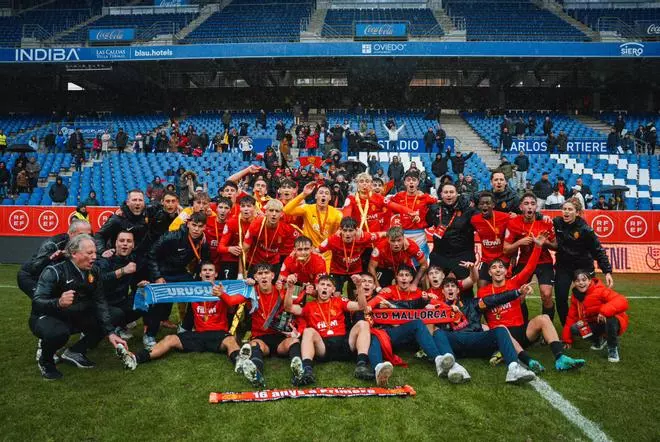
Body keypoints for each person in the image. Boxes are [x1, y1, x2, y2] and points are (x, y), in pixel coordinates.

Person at [126, 262, 261, 385]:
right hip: (198, 334)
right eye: (204, 270)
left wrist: (247, 284)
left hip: (219, 335)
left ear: (216, 274)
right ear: (200, 274)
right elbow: (166, 292)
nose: (207, 272)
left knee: (231, 340)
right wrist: (147, 288)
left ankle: (241, 363)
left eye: (210, 270)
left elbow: (235, 302)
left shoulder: (225, 288)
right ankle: (136, 358)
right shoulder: (190, 289)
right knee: (170, 339)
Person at [478, 233, 586, 372]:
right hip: (501, 334)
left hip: (521, 332)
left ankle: (560, 358)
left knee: (544, 318)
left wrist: (537, 246)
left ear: (506, 271)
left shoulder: (514, 283)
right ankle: (512, 354)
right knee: (487, 327)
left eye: (501, 267)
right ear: (489, 273)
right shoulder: (483, 291)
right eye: (494, 268)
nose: (498, 270)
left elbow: (529, 267)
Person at [30, 234, 130, 379]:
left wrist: (110, 333)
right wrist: (58, 302)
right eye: (90, 253)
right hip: (48, 316)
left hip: (75, 315)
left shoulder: (93, 271)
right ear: (74, 254)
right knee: (58, 333)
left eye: (95, 252)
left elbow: (100, 302)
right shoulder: (54, 272)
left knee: (115, 314)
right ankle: (46, 361)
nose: (94, 257)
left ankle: (75, 352)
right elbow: (36, 302)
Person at [367, 266, 470, 384]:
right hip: (391, 331)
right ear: (396, 277)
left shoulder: (418, 293)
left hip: (407, 331)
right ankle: (378, 369)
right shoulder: (389, 290)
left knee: (419, 323)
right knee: (377, 336)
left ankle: (437, 359)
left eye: (407, 275)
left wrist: (449, 308)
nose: (404, 278)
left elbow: (434, 302)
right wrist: (369, 305)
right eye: (401, 275)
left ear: (411, 278)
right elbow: (377, 298)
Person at [428, 274, 539, 384]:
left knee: (501, 330)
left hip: (476, 339)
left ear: (458, 291)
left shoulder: (473, 303)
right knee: (438, 332)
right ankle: (453, 367)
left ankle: (514, 368)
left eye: (453, 286)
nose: (450, 288)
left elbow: (496, 299)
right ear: (443, 291)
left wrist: (517, 292)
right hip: (456, 342)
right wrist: (429, 306)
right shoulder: (438, 309)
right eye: (447, 286)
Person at [284, 274, 374, 385]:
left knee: (363, 324)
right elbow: (288, 307)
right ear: (317, 287)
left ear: (333, 290)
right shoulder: (309, 306)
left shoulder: (339, 301)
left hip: (344, 343)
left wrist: (359, 287)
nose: (325, 287)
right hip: (323, 346)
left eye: (328, 285)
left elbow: (362, 307)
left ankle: (361, 366)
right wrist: (290, 288)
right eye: (322, 284)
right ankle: (307, 371)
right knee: (308, 331)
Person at [143, 211, 211, 348]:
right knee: (159, 301)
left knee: (198, 294)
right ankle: (149, 334)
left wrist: (203, 277)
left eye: (200, 226)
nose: (196, 229)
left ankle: (185, 327)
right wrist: (157, 276)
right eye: (194, 225)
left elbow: (204, 262)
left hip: (180, 273)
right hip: (163, 272)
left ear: (205, 227)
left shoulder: (203, 241)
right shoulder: (172, 236)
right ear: (188, 224)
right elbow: (151, 254)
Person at [238, 264, 306, 386]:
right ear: (255, 277)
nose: (263, 276)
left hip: (280, 338)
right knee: (254, 344)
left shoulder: (280, 290)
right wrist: (243, 284)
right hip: (261, 338)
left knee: (294, 342)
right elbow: (232, 301)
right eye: (260, 273)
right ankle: (256, 373)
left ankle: (298, 370)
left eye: (266, 273)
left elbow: (292, 304)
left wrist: (293, 287)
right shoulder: (250, 292)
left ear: (273, 276)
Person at [553, 198, 613, 326]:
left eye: (570, 209)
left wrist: (607, 271)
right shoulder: (557, 223)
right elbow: (540, 221)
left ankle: (595, 328)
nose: (566, 212)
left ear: (577, 212)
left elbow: (598, 250)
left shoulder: (585, 230)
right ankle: (567, 327)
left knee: (589, 300)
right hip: (563, 266)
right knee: (561, 298)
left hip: (583, 266)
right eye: (564, 209)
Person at [504, 192, 557, 321]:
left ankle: (547, 325)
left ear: (536, 207)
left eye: (533, 204)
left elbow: (556, 246)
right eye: (526, 204)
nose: (530, 207)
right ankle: (524, 327)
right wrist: (519, 242)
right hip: (524, 262)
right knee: (519, 295)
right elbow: (506, 249)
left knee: (546, 294)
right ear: (521, 207)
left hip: (544, 262)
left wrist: (546, 243)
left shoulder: (546, 222)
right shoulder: (514, 223)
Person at [562, 270, 628, 363]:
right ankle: (598, 340)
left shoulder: (600, 290)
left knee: (610, 318)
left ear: (590, 281)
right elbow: (571, 318)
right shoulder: (575, 296)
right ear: (574, 283)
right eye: (577, 281)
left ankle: (612, 349)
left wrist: (604, 312)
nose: (581, 283)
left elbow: (622, 301)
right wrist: (567, 340)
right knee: (575, 328)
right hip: (595, 323)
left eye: (584, 280)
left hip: (613, 322)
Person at [17, 219, 92, 300]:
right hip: (31, 276)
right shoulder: (52, 244)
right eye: (81, 235)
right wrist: (51, 258)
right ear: (70, 233)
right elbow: (36, 267)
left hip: (56, 278)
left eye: (88, 235)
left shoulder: (88, 243)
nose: (85, 238)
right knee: (44, 303)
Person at [426, 183, 477, 291]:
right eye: (446, 192)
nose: (449, 195)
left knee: (465, 290)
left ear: (457, 194)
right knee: (436, 288)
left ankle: (466, 307)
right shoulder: (434, 209)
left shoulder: (467, 210)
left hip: (462, 255)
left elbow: (483, 220)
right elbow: (424, 222)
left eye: (451, 192)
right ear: (441, 194)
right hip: (440, 255)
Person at [318, 217, 383, 296]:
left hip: (355, 270)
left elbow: (382, 234)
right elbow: (316, 251)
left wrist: (401, 236)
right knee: (336, 295)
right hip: (337, 270)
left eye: (351, 230)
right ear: (340, 230)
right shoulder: (333, 239)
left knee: (358, 294)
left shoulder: (363, 237)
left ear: (356, 230)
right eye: (345, 230)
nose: (347, 234)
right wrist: (320, 264)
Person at [283, 182, 343, 267]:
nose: (323, 195)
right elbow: (286, 210)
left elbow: (343, 229)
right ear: (315, 196)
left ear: (329, 198)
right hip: (307, 251)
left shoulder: (336, 214)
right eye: (321, 193)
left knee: (323, 279)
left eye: (326, 194)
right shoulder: (307, 209)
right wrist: (303, 194)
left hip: (325, 253)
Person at [96, 231, 143, 339]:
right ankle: (94, 329)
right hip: (102, 303)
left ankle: (120, 326)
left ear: (133, 245)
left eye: (129, 241)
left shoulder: (132, 259)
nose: (125, 244)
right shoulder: (105, 259)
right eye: (121, 241)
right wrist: (123, 271)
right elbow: (100, 280)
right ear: (116, 243)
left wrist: (141, 285)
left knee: (143, 300)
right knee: (118, 313)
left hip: (121, 300)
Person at [387, 170, 437, 259]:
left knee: (422, 263)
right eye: (408, 180)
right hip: (404, 234)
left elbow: (440, 202)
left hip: (420, 235)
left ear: (418, 182)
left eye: (414, 180)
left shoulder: (424, 197)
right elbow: (384, 201)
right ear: (405, 182)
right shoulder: (399, 196)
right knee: (405, 262)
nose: (411, 182)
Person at [242, 199, 299, 275]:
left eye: (277, 211)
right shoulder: (256, 224)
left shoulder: (286, 228)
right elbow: (245, 249)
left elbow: (300, 242)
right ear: (265, 212)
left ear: (281, 214)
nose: (274, 214)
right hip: (255, 262)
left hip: (274, 262)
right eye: (271, 210)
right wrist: (241, 272)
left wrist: (294, 252)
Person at [471, 192, 511, 287]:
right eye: (482, 203)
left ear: (493, 205)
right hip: (486, 259)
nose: (485, 205)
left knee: (505, 288)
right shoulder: (474, 220)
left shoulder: (505, 217)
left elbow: (515, 232)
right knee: (481, 286)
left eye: (488, 203)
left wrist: (513, 256)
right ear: (479, 206)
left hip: (503, 258)